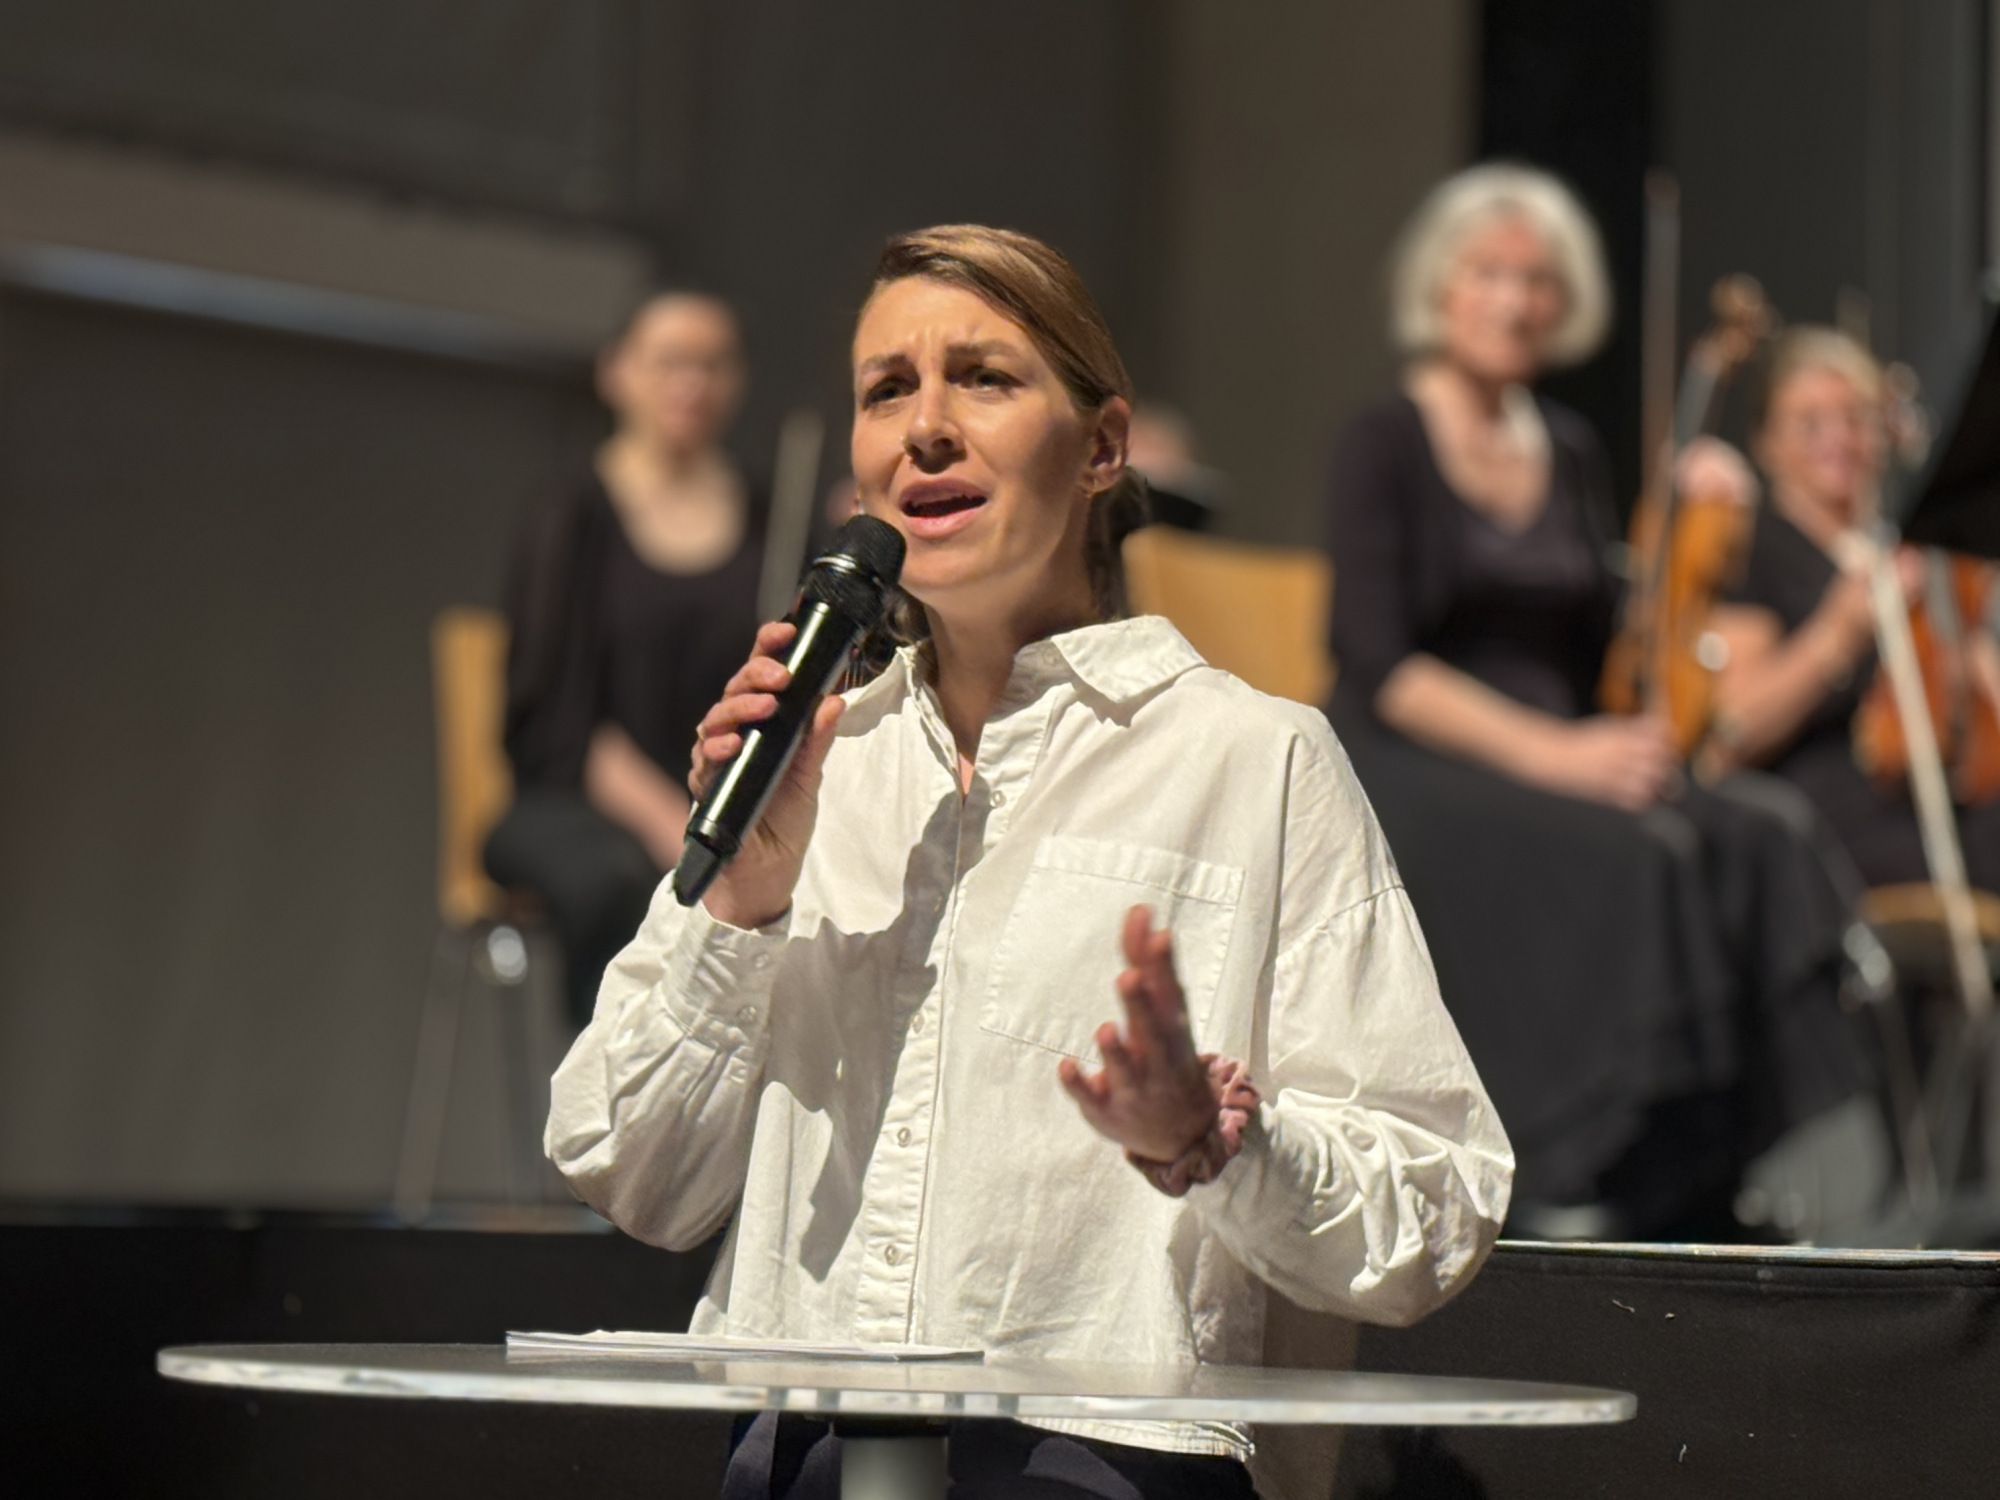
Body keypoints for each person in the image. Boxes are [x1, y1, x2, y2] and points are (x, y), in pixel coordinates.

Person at [547, 225, 1512, 1498]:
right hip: (798, 1460)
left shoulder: (1253, 762)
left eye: (982, 378)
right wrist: (741, 901)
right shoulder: (809, 767)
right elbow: (622, 1165)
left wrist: (1221, 1148)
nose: (923, 429)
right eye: (886, 389)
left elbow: (1435, 1208)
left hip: (1094, 1467)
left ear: (1102, 446)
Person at [1324, 165, 1866, 1239]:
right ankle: (1591, 1165)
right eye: (1489, 274)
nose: (1515, 300)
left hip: (1562, 740)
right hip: (1413, 753)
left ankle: (1722, 1162)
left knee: (1760, 832)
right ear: (1440, 288)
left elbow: (1607, 642)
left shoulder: (1567, 448)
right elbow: (1378, 663)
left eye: (1537, 280)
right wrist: (1557, 757)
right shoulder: (1382, 439)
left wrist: (1689, 529)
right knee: (1641, 851)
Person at [486, 292, 763, 1027]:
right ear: (617, 373)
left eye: (713, 364)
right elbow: (556, 716)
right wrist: (680, 828)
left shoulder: (772, 517)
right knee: (619, 883)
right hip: (586, 801)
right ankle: (620, 1091)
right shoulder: (572, 515)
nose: (692, 382)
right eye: (670, 361)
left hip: (718, 799)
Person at [1708, 326, 2000, 890]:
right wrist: (1836, 635)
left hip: (1941, 794)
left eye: (1856, 418)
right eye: (1811, 423)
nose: (1839, 438)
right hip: (1830, 809)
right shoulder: (1754, 550)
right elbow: (1732, 730)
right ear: (1766, 443)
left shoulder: (1909, 555)